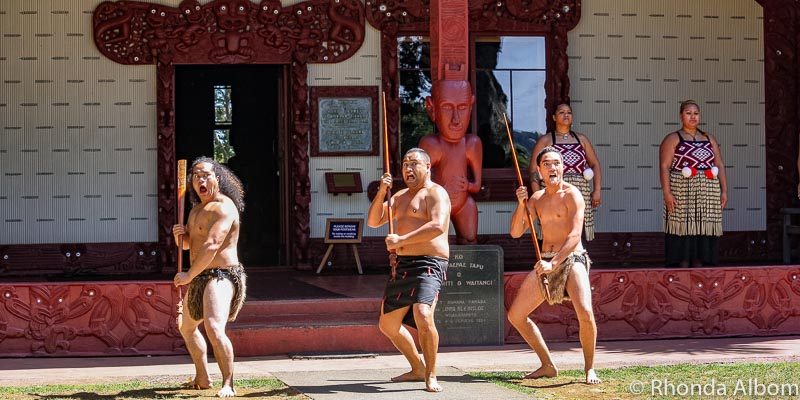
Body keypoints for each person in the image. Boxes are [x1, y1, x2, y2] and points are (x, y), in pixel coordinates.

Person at [508, 146, 601, 385]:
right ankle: (547, 365)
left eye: (557, 163)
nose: (553, 168)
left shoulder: (572, 194)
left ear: (563, 167)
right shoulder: (536, 199)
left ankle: (590, 368)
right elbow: (516, 232)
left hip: (571, 257)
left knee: (586, 312)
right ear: (539, 170)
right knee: (516, 316)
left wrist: (554, 263)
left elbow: (574, 235)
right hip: (546, 260)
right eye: (547, 164)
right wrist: (521, 204)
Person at [367, 148, 451, 393]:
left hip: (429, 263)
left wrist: (401, 240)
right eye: (405, 164)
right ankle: (417, 367)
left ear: (427, 167)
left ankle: (432, 375)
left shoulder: (436, 193)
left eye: (414, 164)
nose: (408, 169)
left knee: (423, 314)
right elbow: (374, 221)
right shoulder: (400, 196)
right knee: (388, 325)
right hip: (402, 266)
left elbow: (437, 226)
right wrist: (382, 191)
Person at [173, 156, 247, 398]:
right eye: (196, 175)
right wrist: (180, 236)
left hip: (221, 275)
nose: (201, 179)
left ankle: (229, 383)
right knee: (187, 327)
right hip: (199, 275)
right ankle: (202, 376)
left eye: (206, 175)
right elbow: (189, 246)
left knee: (215, 328)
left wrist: (187, 275)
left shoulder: (224, 207)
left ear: (218, 178)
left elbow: (212, 245)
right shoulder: (195, 210)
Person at [659, 100, 727, 268]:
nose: (693, 117)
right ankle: (681, 263)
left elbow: (719, 165)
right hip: (682, 190)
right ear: (681, 116)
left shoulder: (709, 138)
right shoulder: (673, 138)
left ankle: (701, 262)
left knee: (704, 226)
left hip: (707, 192)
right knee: (683, 226)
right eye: (688, 113)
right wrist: (667, 192)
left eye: (696, 113)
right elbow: (664, 166)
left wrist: (724, 190)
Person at [419, 79, 482, 244]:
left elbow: (476, 186)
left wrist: (467, 186)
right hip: (437, 205)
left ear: (471, 106)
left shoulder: (472, 144)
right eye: (447, 107)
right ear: (431, 108)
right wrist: (435, 189)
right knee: (435, 244)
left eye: (462, 108)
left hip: (463, 204)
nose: (456, 119)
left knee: (470, 239)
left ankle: (469, 268)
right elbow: (418, 186)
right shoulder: (431, 144)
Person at [529, 103, 602, 240]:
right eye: (561, 112)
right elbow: (534, 171)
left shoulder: (582, 140)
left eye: (569, 112)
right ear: (554, 117)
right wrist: (538, 196)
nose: (566, 115)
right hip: (552, 192)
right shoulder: (545, 141)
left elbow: (595, 164)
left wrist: (597, 190)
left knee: (577, 233)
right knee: (554, 231)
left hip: (580, 192)